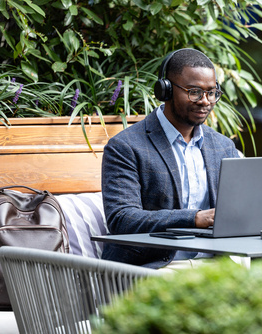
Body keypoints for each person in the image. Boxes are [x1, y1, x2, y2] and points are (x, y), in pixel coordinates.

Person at [101, 48, 241, 268]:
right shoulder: (125, 147)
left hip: (217, 266)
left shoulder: (223, 147)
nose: (205, 101)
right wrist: (193, 218)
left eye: (211, 92)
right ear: (165, 90)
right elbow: (122, 219)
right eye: (194, 92)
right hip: (156, 266)